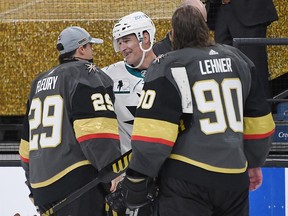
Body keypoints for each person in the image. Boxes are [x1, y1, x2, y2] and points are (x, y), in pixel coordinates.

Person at [106, 5, 275, 216]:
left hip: (187, 181)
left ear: (174, 35)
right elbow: (262, 124)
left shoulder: (167, 65)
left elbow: (153, 138)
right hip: (234, 179)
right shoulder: (239, 59)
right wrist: (254, 163)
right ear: (204, 29)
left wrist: (137, 179)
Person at [19, 26, 121, 216]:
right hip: (77, 185)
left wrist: (33, 187)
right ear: (81, 49)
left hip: (41, 188)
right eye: (90, 46)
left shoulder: (37, 83)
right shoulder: (86, 73)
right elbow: (96, 133)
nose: (92, 51)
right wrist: (113, 170)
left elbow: (26, 150)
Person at [102, 11, 157, 216]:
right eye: (120, 42)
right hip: (128, 177)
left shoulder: (171, 69)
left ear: (145, 37)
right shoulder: (107, 76)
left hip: (168, 174)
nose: (122, 48)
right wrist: (111, 169)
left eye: (127, 40)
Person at [211, 0, 278, 98]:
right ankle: (234, 107)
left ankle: (261, 112)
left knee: (254, 66)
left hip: (250, 10)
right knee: (223, 61)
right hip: (221, 9)